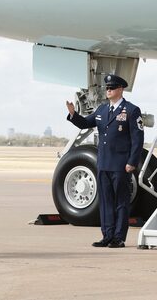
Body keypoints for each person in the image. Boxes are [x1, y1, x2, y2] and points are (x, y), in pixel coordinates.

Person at [65, 74, 144, 248]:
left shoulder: (131, 110)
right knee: (106, 201)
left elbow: (138, 139)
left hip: (121, 164)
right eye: (107, 88)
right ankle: (107, 235)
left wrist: (132, 162)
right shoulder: (102, 110)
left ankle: (119, 237)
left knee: (121, 202)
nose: (108, 90)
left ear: (120, 89)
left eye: (112, 88)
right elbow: (85, 123)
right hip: (103, 163)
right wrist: (73, 114)